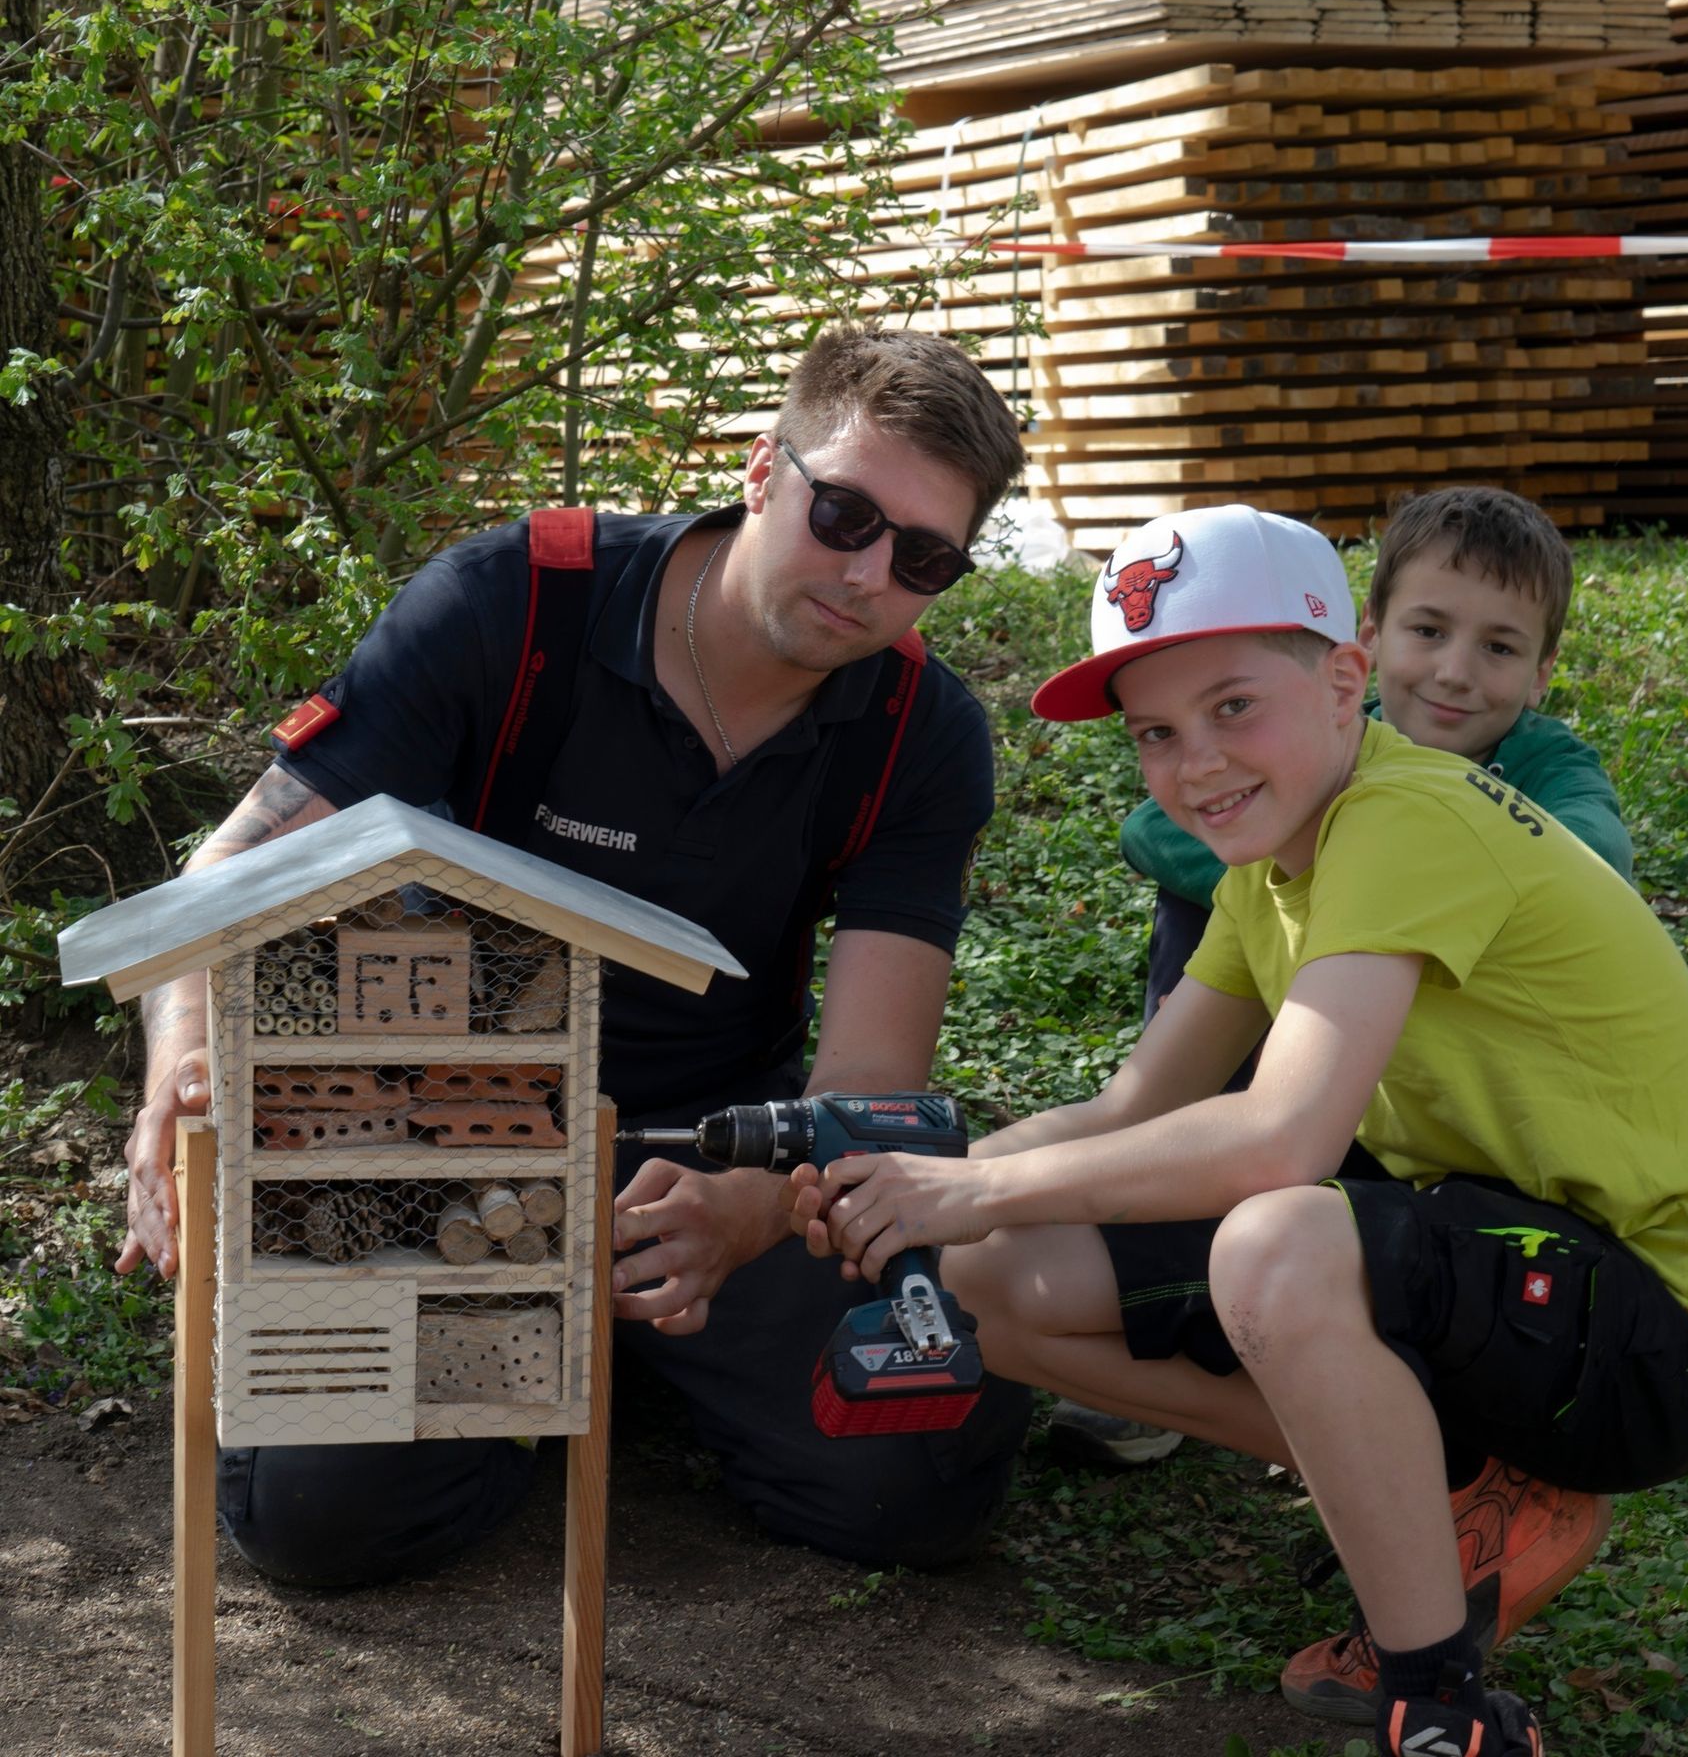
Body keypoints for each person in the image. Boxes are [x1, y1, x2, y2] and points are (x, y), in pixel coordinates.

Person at [790, 503, 1688, 1757]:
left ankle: (1443, 1697)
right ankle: (1460, 1494)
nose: (1193, 761)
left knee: (1274, 1239)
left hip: (1669, 1336)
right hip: (1502, 1267)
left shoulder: (1406, 817)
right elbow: (1128, 1108)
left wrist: (963, 1193)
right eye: (1155, 732)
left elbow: (1280, 1142)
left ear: (1343, 679)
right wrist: (914, 1189)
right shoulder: (1270, 871)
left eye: (1230, 707)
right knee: (991, 1284)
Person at [117, 325, 1034, 1583]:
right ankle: (536, 1363)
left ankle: (594, 1341)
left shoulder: (918, 732)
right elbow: (229, 879)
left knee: (915, 1484)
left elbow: (869, 1077)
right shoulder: (516, 600)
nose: (871, 574)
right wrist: (182, 1067)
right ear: (762, 471)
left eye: (925, 556)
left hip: (699, 1153)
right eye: (844, 514)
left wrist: (755, 1210)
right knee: (321, 1521)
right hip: (444, 1130)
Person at [1053, 485, 1635, 1472]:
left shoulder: (1544, 772)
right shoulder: (1309, 729)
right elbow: (1152, 830)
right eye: (1428, 629)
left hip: (1453, 1105)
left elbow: (1599, 868)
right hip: (1301, 1061)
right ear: (1365, 639)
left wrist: (1402, 894)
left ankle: (1398, 1350)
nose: (1455, 672)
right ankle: (1186, 1280)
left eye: (1498, 648)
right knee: (1210, 911)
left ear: (1542, 674)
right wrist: (1295, 864)